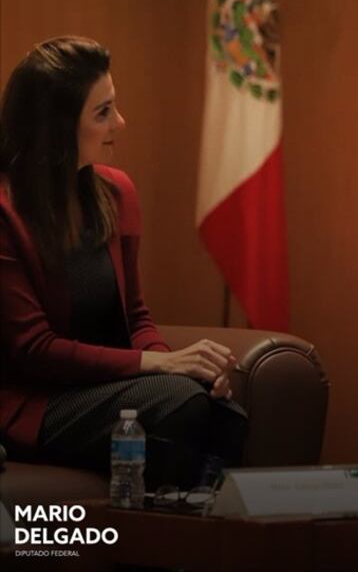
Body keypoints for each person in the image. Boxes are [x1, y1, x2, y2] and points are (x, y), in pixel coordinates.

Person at [0, 36, 247, 491]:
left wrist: (178, 362)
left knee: (214, 398)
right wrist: (160, 368)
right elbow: (33, 349)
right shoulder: (6, 210)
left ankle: (202, 538)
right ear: (57, 128)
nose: (120, 121)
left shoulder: (116, 192)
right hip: (33, 403)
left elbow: (136, 316)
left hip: (102, 389)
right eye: (102, 112)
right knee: (180, 402)